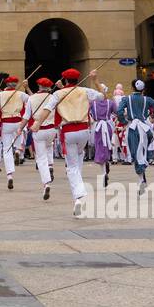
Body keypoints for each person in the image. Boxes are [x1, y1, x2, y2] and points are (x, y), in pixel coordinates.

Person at [39, 69, 107, 217]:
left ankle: (78, 196)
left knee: (71, 166)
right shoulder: (84, 91)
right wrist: (95, 80)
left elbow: (47, 109)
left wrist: (37, 123)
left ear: (64, 80)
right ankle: (79, 185)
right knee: (79, 156)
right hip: (84, 131)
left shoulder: (59, 93)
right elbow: (103, 96)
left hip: (69, 131)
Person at [117, 79, 154, 194]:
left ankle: (141, 179)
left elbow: (119, 111)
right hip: (145, 129)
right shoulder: (147, 99)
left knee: (135, 154)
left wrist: (124, 121)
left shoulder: (126, 99)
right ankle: (142, 176)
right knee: (142, 152)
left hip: (133, 128)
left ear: (133, 87)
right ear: (143, 89)